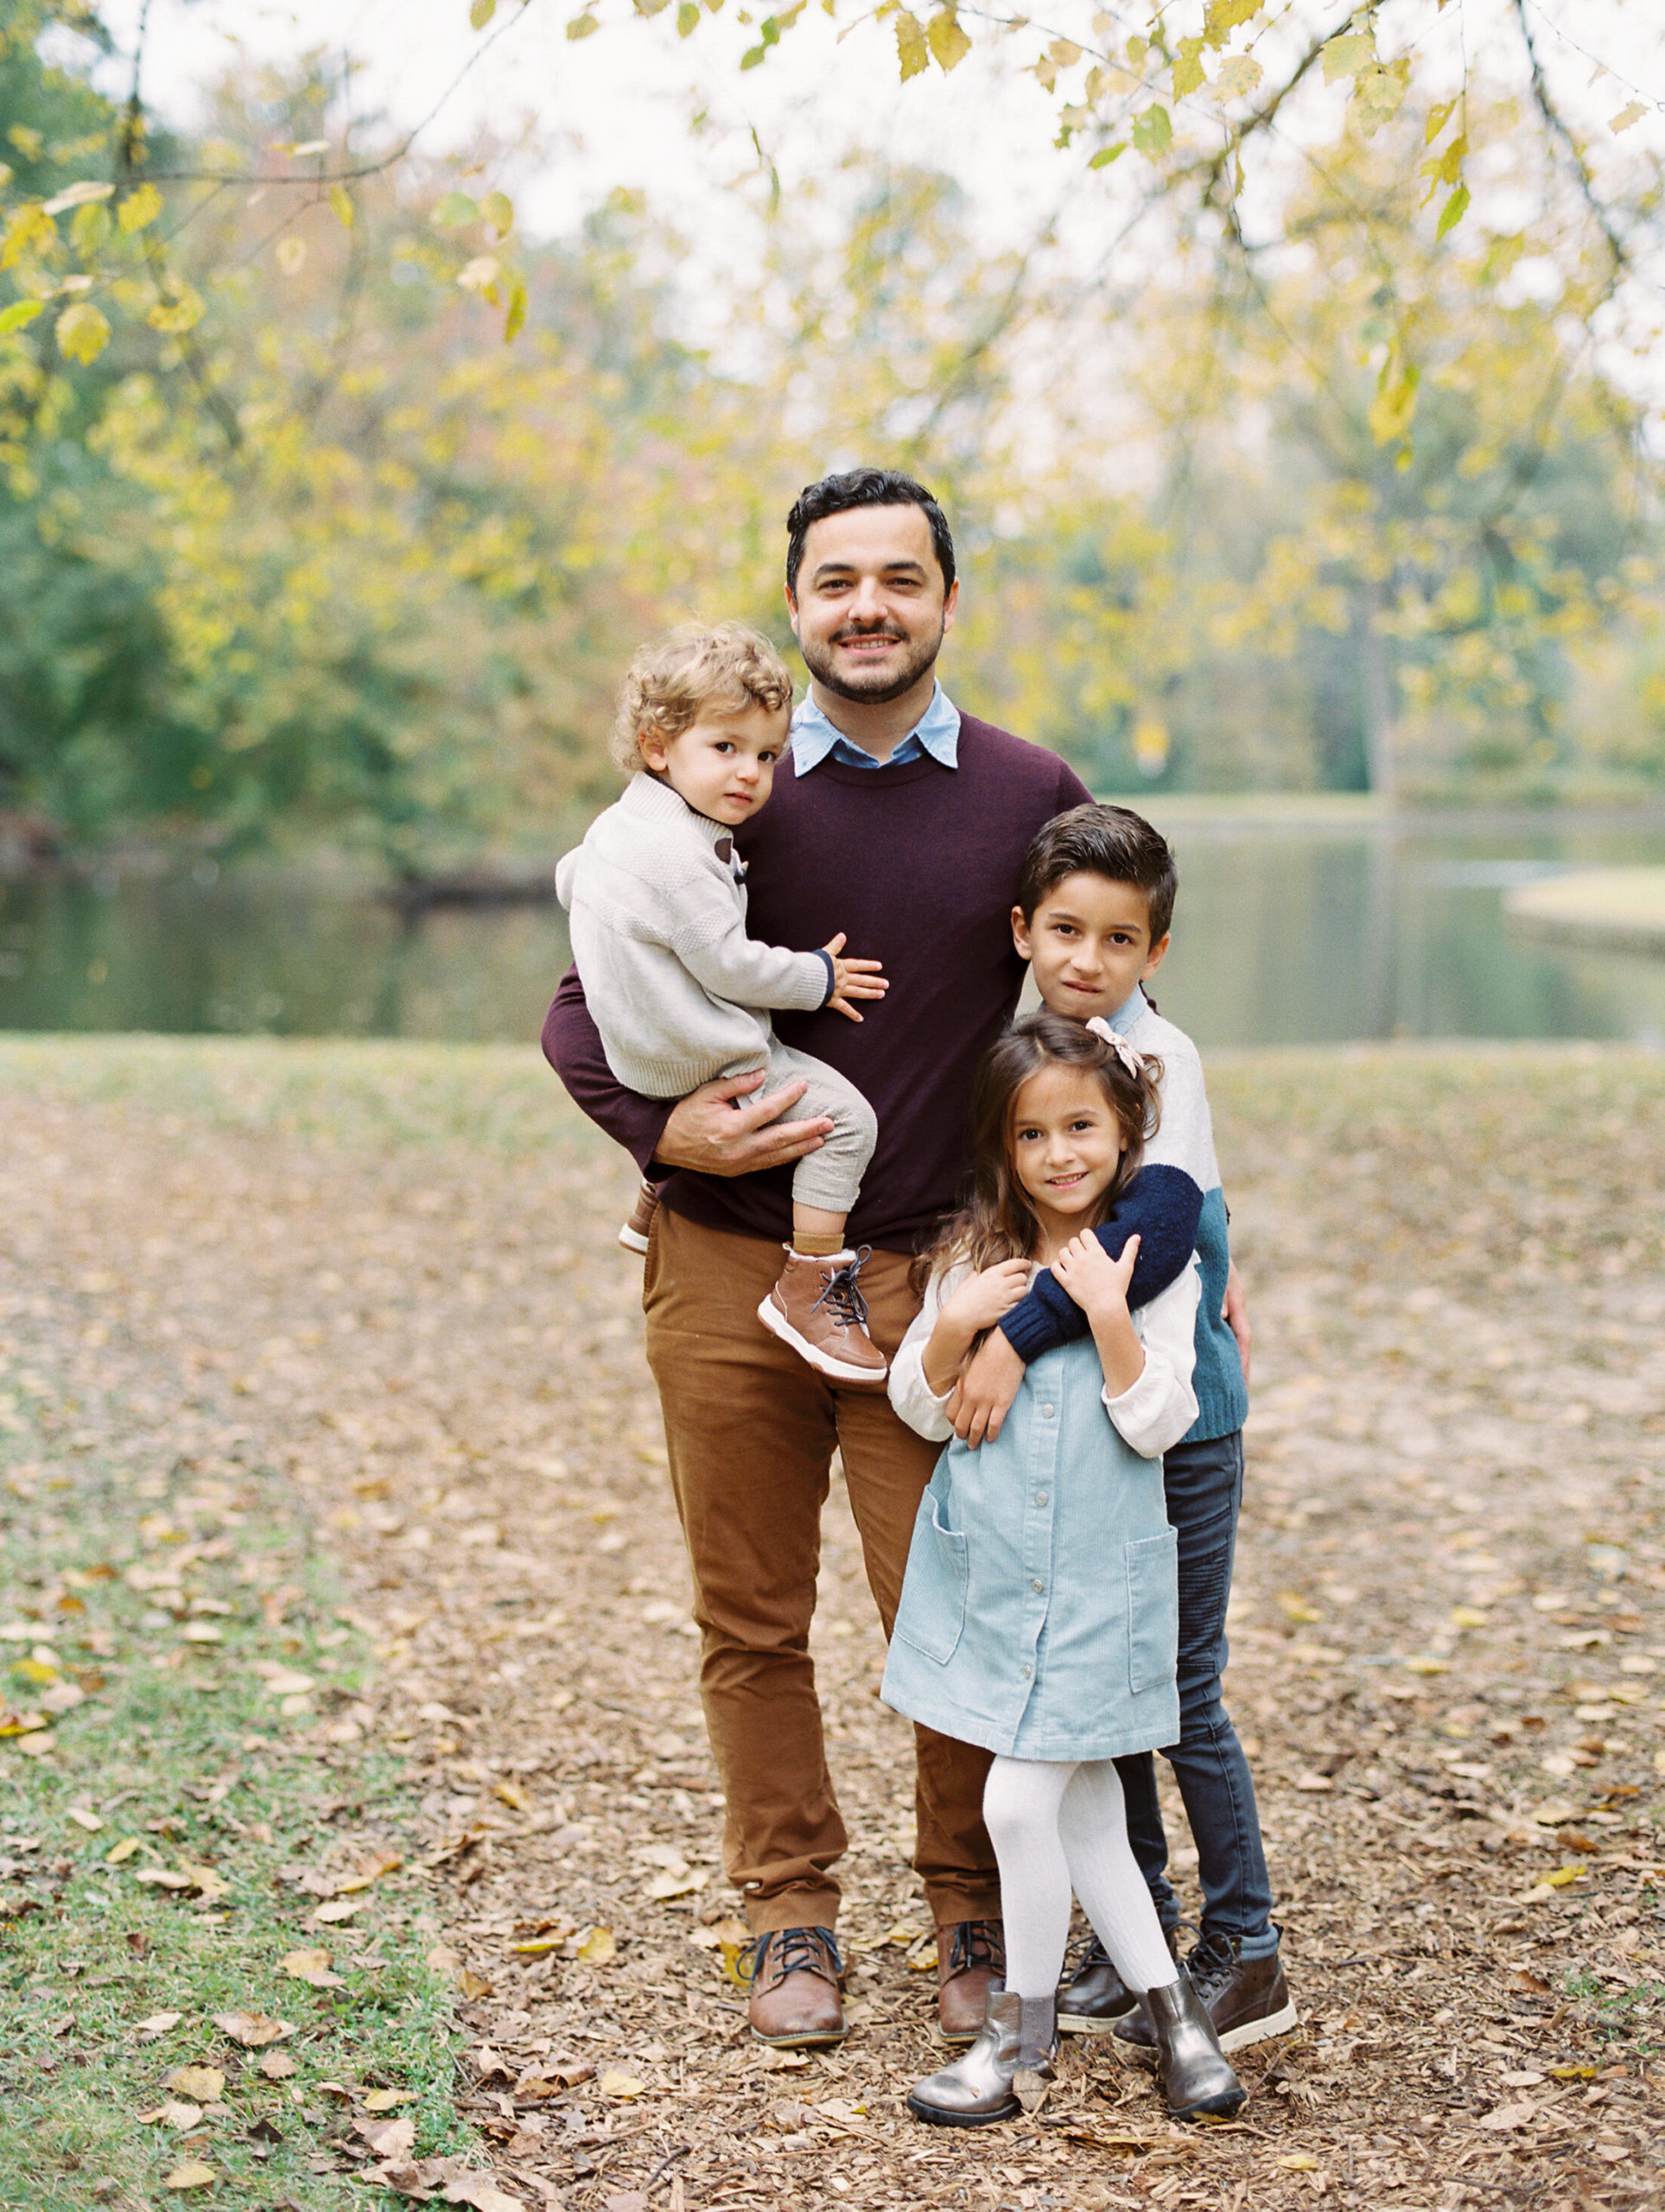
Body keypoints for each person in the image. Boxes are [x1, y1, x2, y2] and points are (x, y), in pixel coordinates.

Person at [543, 467, 1204, 2048]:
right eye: (835, 580)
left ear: (944, 600)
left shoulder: (1028, 790)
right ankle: (787, 1919)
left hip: (935, 1282)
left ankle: (974, 1908)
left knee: (969, 1612)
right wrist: (660, 1140)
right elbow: (578, 1009)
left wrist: (1163, 1233)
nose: (866, 606)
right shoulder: (730, 785)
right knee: (750, 1616)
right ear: (795, 605)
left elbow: (1105, 1023)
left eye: (898, 578)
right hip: (722, 1268)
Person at [951, 803, 1297, 2058]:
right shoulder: (1018, 1047)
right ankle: (1134, 1929)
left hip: (1178, 1421)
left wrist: (1006, 1337)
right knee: (1110, 1692)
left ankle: (1244, 1946)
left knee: (1180, 1692)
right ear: (1022, 932)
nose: (1086, 957)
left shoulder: (1163, 1064)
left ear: (1154, 951)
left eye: (1117, 937)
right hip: (1087, 1439)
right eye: (1063, 930)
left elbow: (1145, 1228)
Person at [884, 1012, 1246, 2126]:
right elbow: (918, 1408)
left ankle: (1013, 2039)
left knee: (1016, 1803)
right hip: (997, 1584)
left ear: (1124, 1128)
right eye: (1032, 1134)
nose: (1060, 1154)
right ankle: (1178, 2016)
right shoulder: (973, 1261)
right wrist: (951, 1328)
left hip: (1099, 1587)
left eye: (1081, 1125)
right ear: (1003, 1148)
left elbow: (1159, 1422)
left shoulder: (1148, 1266)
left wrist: (1105, 1317)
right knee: (1085, 1812)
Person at [555, 621, 892, 1382]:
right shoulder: (678, 857)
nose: (751, 774)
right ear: (656, 746)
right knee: (845, 1123)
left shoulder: (618, 827)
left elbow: (567, 881)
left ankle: (655, 1193)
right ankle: (808, 1279)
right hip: (700, 1057)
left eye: (767, 756)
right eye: (725, 749)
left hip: (643, 1054)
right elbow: (729, 965)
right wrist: (819, 978)